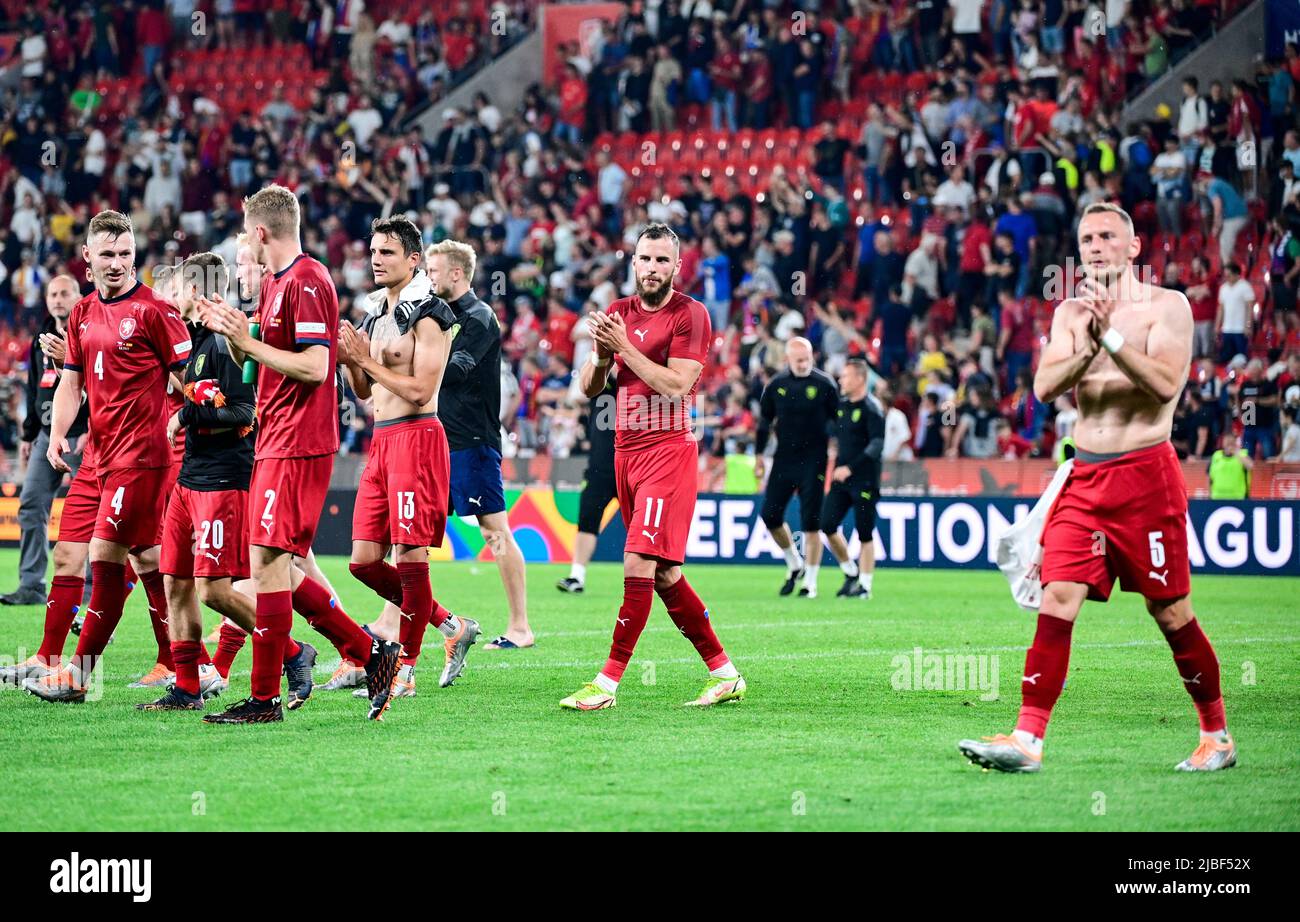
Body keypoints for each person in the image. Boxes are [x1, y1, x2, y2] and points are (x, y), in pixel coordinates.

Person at [960, 202, 1235, 774]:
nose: (1095, 245)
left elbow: (1163, 386)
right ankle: (1027, 739)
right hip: (1084, 477)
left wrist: (1108, 337)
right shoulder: (1068, 313)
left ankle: (1217, 737)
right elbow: (1042, 386)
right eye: (1087, 237)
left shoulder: (1169, 307)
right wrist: (1086, 342)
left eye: (1109, 235)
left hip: (1146, 477)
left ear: (1133, 247)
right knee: (1057, 596)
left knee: (1171, 612)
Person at [199, 184, 401, 724]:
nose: (245, 239)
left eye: (246, 230)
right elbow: (268, 363)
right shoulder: (276, 284)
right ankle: (367, 651)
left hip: (298, 445)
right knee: (275, 567)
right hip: (276, 440)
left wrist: (248, 344)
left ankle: (267, 697)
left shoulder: (307, 280)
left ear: (261, 232)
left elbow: (316, 366)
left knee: (267, 565)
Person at [559, 222, 745, 710]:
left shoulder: (691, 315)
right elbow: (588, 385)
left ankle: (607, 682)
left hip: (668, 451)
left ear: (676, 266)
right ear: (633, 262)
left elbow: (676, 385)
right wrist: (601, 357)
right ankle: (723, 672)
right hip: (625, 452)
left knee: (638, 560)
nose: (652, 268)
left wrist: (622, 348)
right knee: (663, 575)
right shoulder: (618, 313)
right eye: (645, 259)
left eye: (663, 260)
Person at [20, 211, 193, 704]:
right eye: (108, 254)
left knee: (107, 557)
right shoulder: (81, 314)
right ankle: (180, 660)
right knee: (103, 554)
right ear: (88, 258)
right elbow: (72, 383)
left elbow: (186, 378)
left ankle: (78, 673)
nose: (117, 263)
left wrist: (204, 409)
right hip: (95, 456)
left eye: (125, 254)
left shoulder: (156, 309)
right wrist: (55, 436)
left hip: (141, 456)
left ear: (134, 255)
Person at [143, 251, 300, 710]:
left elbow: (243, 413)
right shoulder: (194, 343)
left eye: (172, 289)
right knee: (175, 582)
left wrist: (186, 414)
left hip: (223, 480)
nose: (165, 297)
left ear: (192, 291)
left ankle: (292, 653)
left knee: (214, 591)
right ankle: (188, 686)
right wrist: (186, 414)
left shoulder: (224, 341)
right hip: (190, 480)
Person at [337, 216, 479, 697]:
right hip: (381, 441)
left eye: (388, 252)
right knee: (362, 561)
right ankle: (451, 625)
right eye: (373, 251)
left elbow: (421, 390)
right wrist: (350, 361)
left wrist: (366, 361)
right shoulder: (376, 313)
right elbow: (363, 389)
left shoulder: (431, 313)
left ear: (414, 260)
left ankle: (405, 670)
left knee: (411, 557)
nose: (376, 259)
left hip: (418, 438)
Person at [427, 239, 534, 650]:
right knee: (414, 534)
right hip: (436, 439)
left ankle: (521, 626)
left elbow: (455, 371)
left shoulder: (480, 316)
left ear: (457, 273)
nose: (428, 277)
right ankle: (390, 620)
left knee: (495, 532)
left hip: (472, 440)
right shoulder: (438, 315)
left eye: (434, 271)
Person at [2, 275, 89, 606]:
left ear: (78, 296)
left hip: (84, 435)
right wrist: (28, 433)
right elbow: (35, 387)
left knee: (92, 513)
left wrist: (94, 425)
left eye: (64, 293)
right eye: (53, 294)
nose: (57, 299)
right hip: (45, 435)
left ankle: (93, 591)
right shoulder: (42, 337)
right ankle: (32, 584)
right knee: (31, 503)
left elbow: (102, 382)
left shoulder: (90, 332)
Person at [754, 336, 839, 598]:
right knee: (770, 515)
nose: (803, 364)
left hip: (814, 461)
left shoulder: (824, 384)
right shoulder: (776, 385)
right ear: (787, 359)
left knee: (811, 523)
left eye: (807, 359)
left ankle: (810, 582)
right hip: (783, 459)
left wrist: (837, 450)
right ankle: (794, 561)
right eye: (798, 360)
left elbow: (839, 422)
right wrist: (758, 455)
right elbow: (764, 422)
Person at [818, 358, 885, 600]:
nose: (840, 380)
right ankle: (850, 570)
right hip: (841, 478)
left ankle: (865, 586)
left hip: (865, 479)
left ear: (859, 379)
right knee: (827, 524)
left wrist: (851, 468)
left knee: (865, 533)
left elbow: (877, 445)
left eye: (845, 376)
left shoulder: (872, 409)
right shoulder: (842, 408)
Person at [557, 372, 618, 593]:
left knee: (640, 527)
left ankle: (656, 578)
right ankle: (577, 575)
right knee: (587, 521)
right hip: (599, 466)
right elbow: (578, 394)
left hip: (631, 465)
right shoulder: (598, 375)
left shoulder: (637, 374)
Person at [1208, 432, 1252, 499]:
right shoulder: (1216, 456)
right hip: (1217, 497)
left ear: (1235, 442)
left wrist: (1236, 453)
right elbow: (1209, 477)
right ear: (1223, 442)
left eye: (1231, 441)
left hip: (1238, 497)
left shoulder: (1242, 454)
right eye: (1227, 441)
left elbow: (1250, 465)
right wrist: (1209, 494)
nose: (1229, 443)